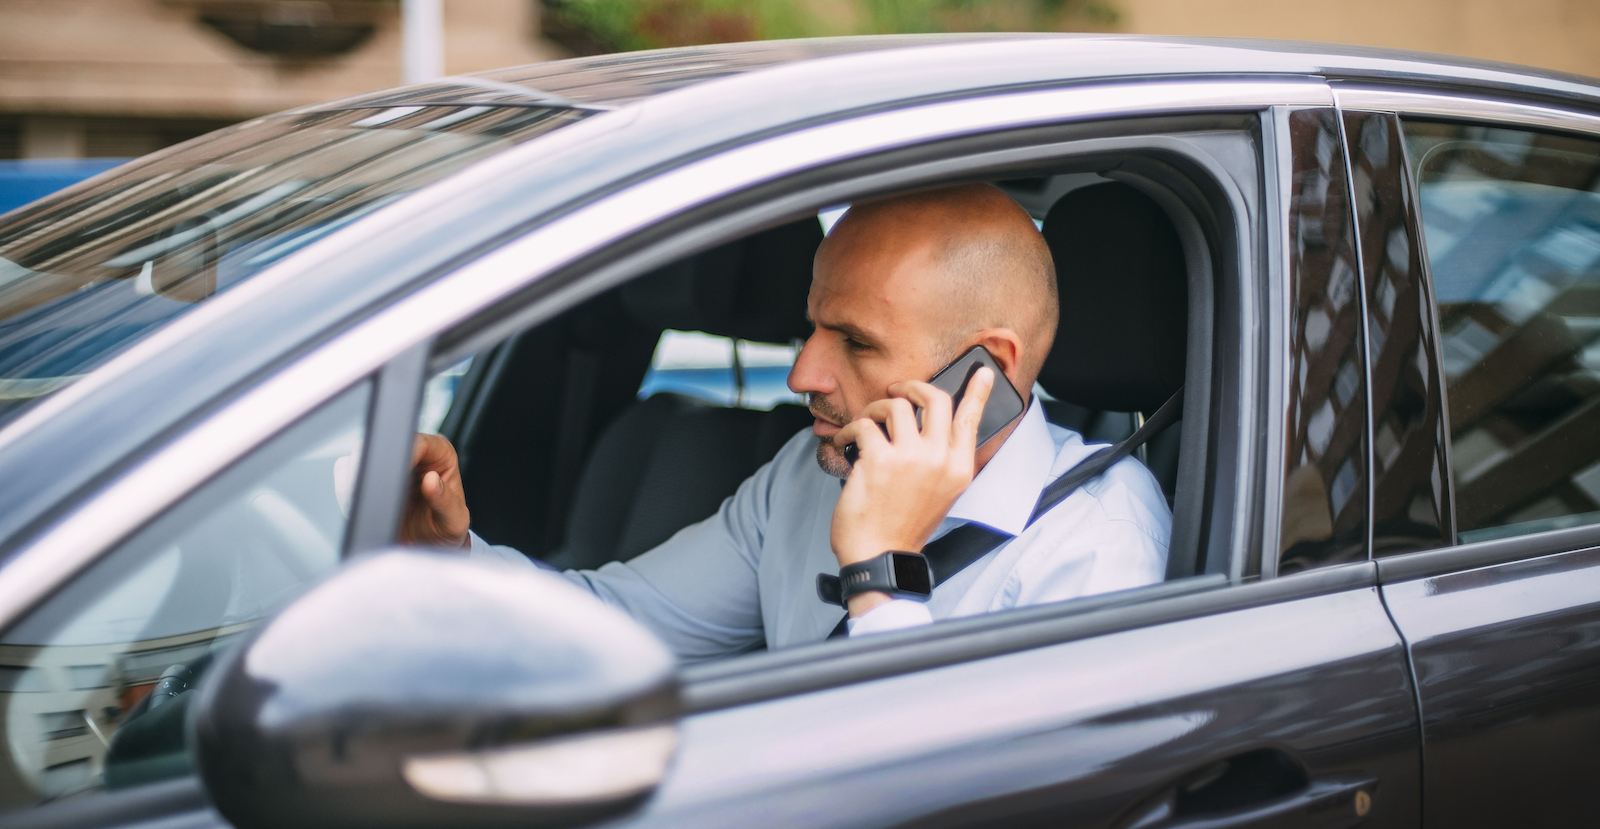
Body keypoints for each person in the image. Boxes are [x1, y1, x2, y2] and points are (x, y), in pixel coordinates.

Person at [402, 184, 1171, 663]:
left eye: (856, 342)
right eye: (812, 329)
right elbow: (620, 626)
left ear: (987, 368)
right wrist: (452, 555)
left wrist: (881, 571)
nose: (803, 374)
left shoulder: (1098, 539)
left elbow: (973, 803)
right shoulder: (811, 473)